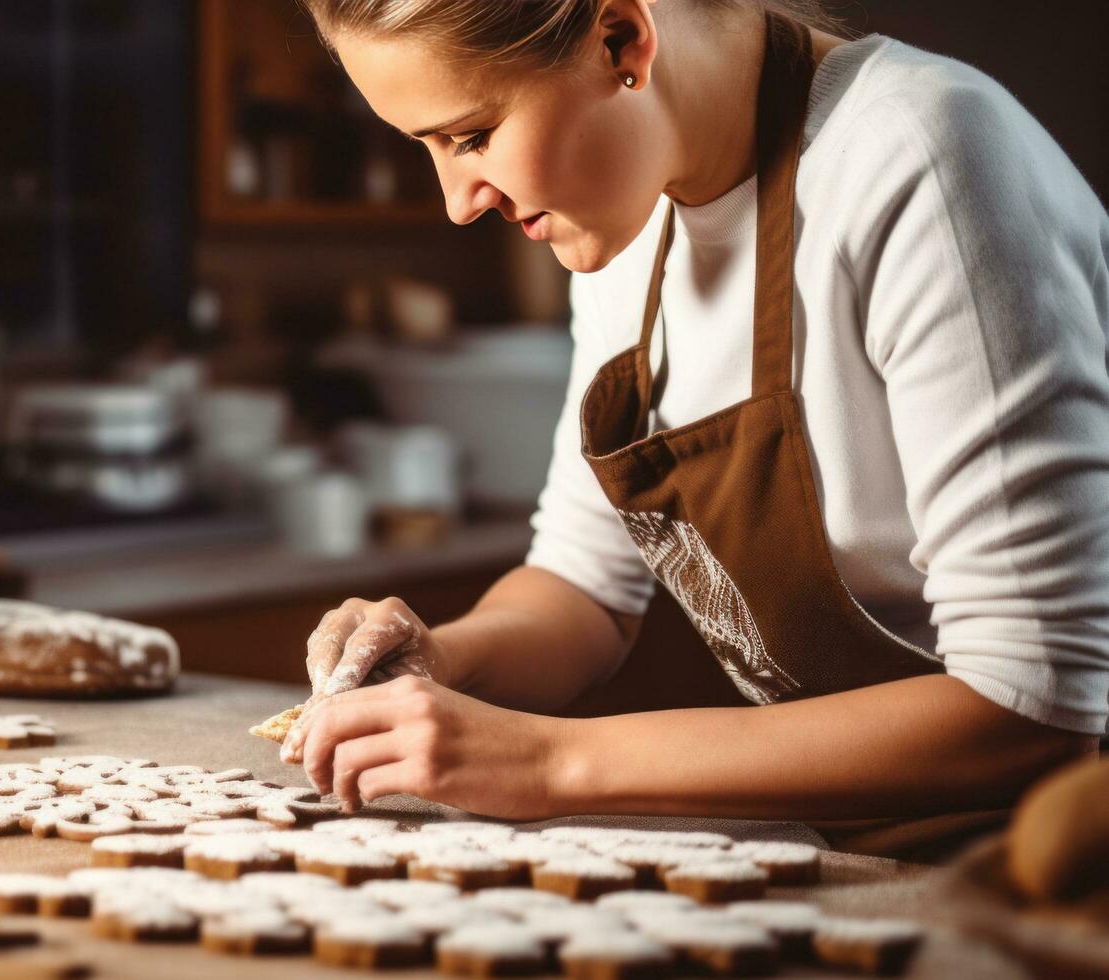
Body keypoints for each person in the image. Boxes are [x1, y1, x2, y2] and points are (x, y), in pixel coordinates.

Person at [284, 0, 1109, 858]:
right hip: (863, 856)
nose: (456, 203)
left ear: (619, 39)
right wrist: (442, 660)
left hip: (1061, 873)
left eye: (470, 135)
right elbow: (581, 590)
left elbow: (1032, 707)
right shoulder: (627, 216)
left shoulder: (919, 155)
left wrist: (549, 762)